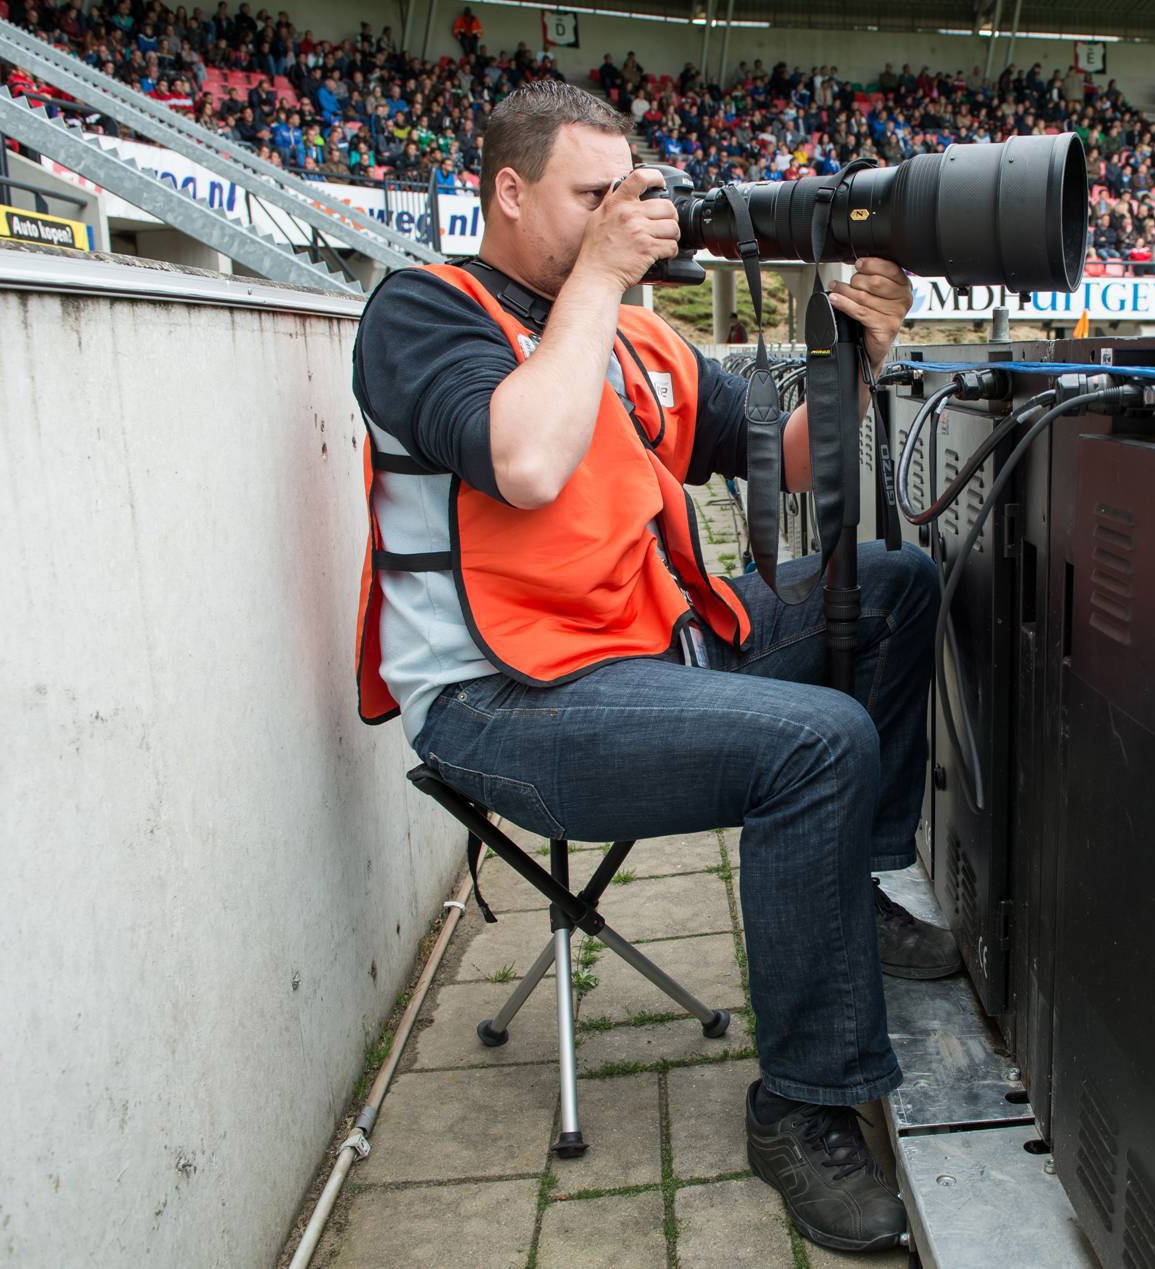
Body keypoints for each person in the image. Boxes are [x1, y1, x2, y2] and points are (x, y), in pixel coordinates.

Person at [349, 81, 956, 1254]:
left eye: (630, 188)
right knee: (814, 742)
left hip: (636, 646)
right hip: (502, 703)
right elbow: (521, 460)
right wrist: (596, 281)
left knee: (893, 584)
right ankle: (800, 1104)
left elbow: (779, 461)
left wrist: (852, 355)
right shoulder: (422, 313)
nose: (624, 213)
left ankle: (856, 899)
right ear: (509, 190)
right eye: (593, 194)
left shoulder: (630, 332)